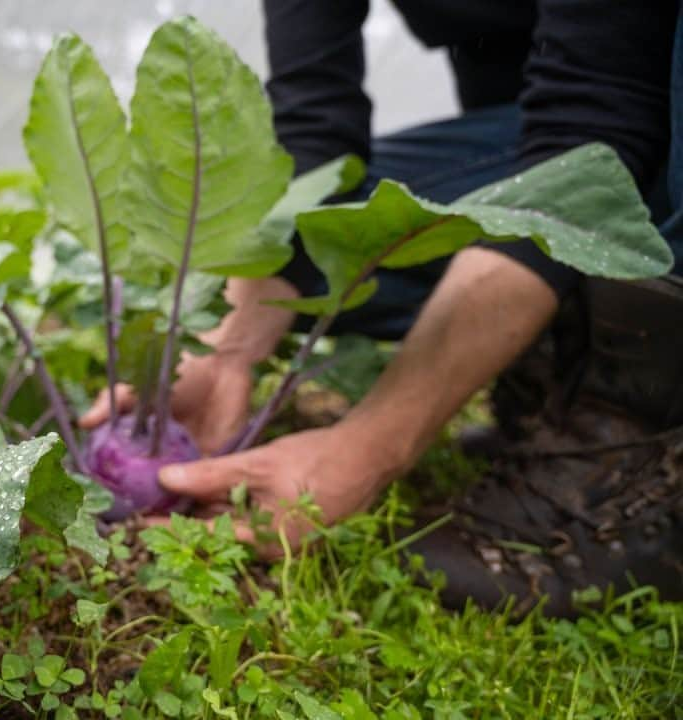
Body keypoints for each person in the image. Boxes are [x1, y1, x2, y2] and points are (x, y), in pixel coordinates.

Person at [82, 0, 683, 617]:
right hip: (548, 121)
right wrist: (223, 353)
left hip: (639, 97)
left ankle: (638, 450)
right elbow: (314, 132)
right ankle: (555, 349)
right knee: (311, 239)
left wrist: (371, 446)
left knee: (560, 202)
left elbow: (587, 135)